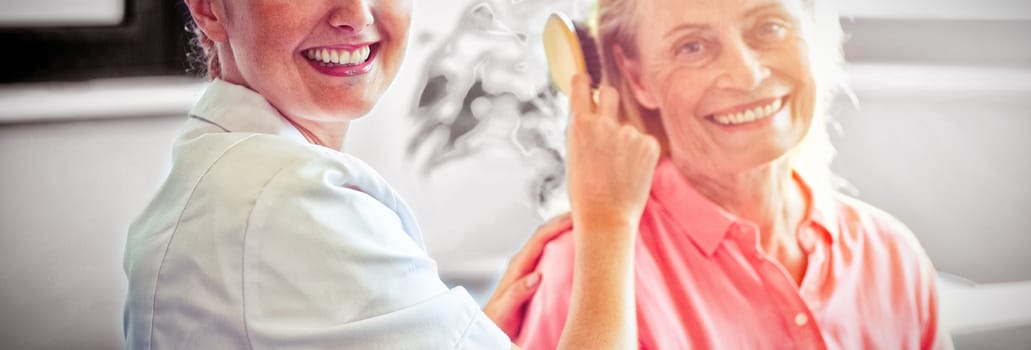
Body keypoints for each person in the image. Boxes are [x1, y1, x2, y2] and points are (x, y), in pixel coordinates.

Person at [122, 0, 658, 349]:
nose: (356, 14)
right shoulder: (281, 202)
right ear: (209, 9)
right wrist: (608, 221)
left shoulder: (225, 172)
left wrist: (455, 331)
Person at [518, 0, 954, 349]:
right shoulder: (583, 274)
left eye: (770, 27)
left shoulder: (890, 254)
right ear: (636, 76)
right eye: (692, 47)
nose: (746, 75)